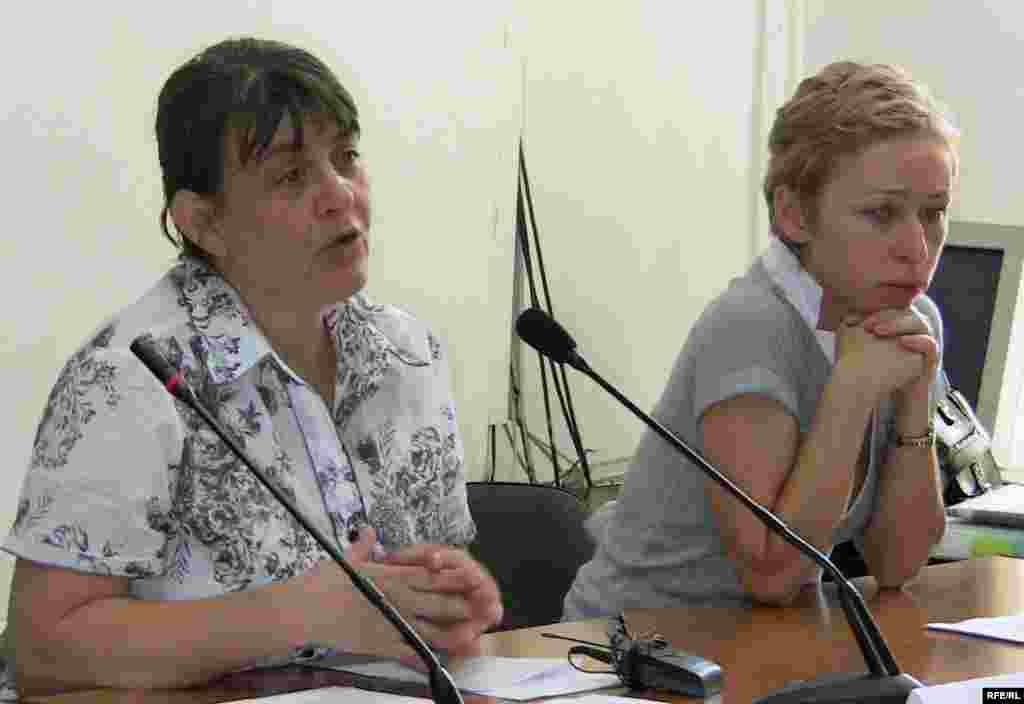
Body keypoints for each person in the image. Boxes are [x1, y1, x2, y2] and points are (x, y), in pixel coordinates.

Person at [0, 37, 502, 697]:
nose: (338, 194)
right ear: (203, 221)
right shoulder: (131, 376)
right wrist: (300, 613)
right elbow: (45, 648)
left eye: (347, 156)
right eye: (291, 176)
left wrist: (446, 591)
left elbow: (414, 597)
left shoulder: (408, 354)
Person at [565, 61, 956, 618]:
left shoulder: (911, 321)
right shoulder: (751, 326)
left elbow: (896, 563)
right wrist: (851, 392)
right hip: (632, 652)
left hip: (773, 643)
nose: (918, 249)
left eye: (934, 214)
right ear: (794, 215)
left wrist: (915, 398)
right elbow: (772, 572)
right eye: (881, 214)